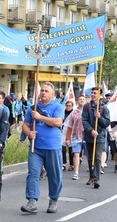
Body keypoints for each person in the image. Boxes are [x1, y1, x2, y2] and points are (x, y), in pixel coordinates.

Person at [20, 82, 64, 214]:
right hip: (36, 147)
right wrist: (29, 133)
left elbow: (57, 121)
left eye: (46, 91)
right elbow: (25, 125)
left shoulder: (57, 106)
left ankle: (53, 200)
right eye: (42, 90)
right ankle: (32, 201)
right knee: (33, 174)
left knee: (54, 175)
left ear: (52, 94)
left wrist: (39, 117)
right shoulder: (32, 108)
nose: (43, 93)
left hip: (53, 146)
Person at [82, 87, 110, 188]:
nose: (93, 95)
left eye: (95, 93)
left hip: (100, 136)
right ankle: (91, 176)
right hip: (89, 135)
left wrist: (100, 118)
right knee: (90, 157)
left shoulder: (104, 108)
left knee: (97, 157)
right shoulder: (87, 106)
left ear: (99, 95)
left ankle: (97, 179)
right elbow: (84, 120)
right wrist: (91, 130)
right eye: (92, 93)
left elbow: (107, 123)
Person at [65, 96, 86, 180]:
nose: (82, 101)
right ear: (77, 102)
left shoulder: (88, 111)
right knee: (76, 154)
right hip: (75, 136)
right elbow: (69, 126)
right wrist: (67, 138)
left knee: (89, 155)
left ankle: (91, 170)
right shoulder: (74, 113)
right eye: (80, 99)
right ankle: (76, 172)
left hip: (86, 136)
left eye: (83, 100)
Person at [62, 100, 74, 171]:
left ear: (72, 106)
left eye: (70, 106)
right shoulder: (63, 112)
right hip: (62, 131)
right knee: (62, 148)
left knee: (71, 148)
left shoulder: (74, 113)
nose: (68, 107)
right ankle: (63, 163)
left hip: (71, 131)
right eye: (67, 105)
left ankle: (72, 164)